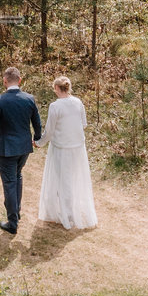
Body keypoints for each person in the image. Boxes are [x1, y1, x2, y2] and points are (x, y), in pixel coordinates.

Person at [35, 76, 97, 230]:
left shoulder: (55, 106)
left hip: (62, 148)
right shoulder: (78, 102)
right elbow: (83, 124)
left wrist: (38, 143)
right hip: (77, 148)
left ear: (57, 88)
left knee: (62, 180)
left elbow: (49, 131)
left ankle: (66, 214)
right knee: (73, 179)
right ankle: (69, 211)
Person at [0, 66, 42, 234]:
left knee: (10, 182)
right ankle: (16, 212)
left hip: (7, 149)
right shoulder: (29, 98)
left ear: (4, 81)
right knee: (17, 177)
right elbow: (37, 123)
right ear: (20, 80)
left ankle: (12, 223)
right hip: (24, 147)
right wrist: (37, 138)